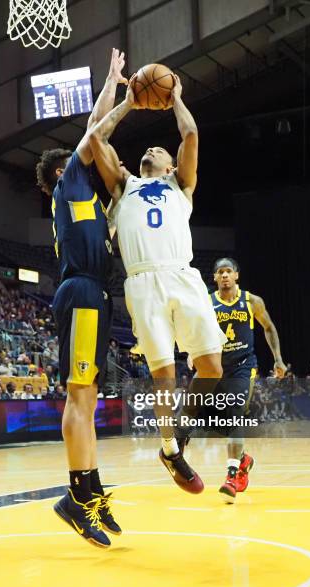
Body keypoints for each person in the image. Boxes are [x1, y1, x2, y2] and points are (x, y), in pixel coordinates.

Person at [89, 74, 226, 493]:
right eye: (148, 148)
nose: (151, 148)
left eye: (159, 150)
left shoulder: (181, 185)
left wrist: (177, 96)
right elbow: (97, 139)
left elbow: (190, 133)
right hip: (143, 282)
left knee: (211, 368)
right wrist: (129, 102)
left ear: (170, 165)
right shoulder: (122, 186)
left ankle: (180, 430)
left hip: (183, 276)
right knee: (163, 371)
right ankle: (169, 449)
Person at [36, 48, 128, 548]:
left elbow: (92, 130)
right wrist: (126, 96)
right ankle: (75, 496)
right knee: (80, 396)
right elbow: (94, 131)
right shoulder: (69, 181)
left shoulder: (88, 197)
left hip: (95, 293)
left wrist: (112, 79)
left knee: (88, 398)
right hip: (82, 291)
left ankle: (89, 490)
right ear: (61, 171)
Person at [209, 257, 286, 502]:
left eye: (228, 271)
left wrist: (278, 359)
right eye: (219, 272)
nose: (224, 275)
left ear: (236, 275)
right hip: (217, 370)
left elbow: (269, 327)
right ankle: (243, 460)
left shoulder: (251, 301)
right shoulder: (207, 303)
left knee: (234, 415)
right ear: (214, 277)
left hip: (244, 367)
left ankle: (232, 475)